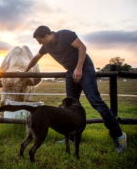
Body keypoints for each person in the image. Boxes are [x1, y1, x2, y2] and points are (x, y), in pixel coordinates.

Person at [24, 25, 127, 153]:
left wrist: (79, 68)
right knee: (69, 106)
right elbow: (35, 58)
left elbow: (82, 47)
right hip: (71, 72)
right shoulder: (46, 46)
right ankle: (71, 137)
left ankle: (119, 135)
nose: (39, 43)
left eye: (40, 40)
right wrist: (25, 72)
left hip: (85, 67)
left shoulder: (65, 35)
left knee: (95, 101)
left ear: (46, 35)